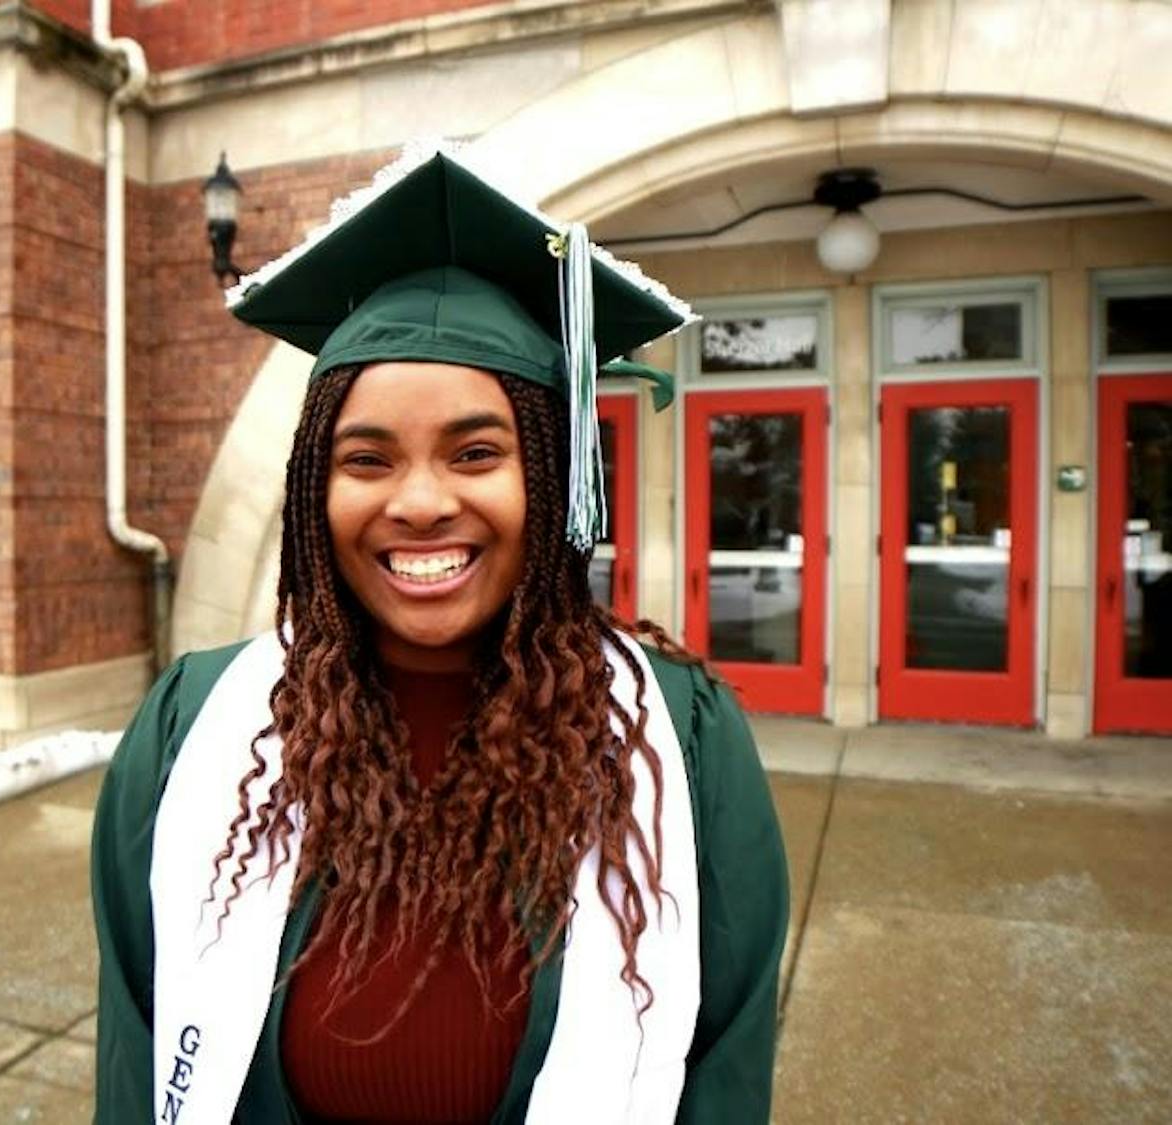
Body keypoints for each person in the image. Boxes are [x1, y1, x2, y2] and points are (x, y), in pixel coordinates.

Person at [92, 148, 788, 1125]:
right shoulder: (196, 729)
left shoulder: (680, 740)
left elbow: (722, 1074)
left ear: (546, 479)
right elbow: (136, 1054)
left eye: (475, 452)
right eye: (366, 459)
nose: (420, 502)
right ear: (313, 493)